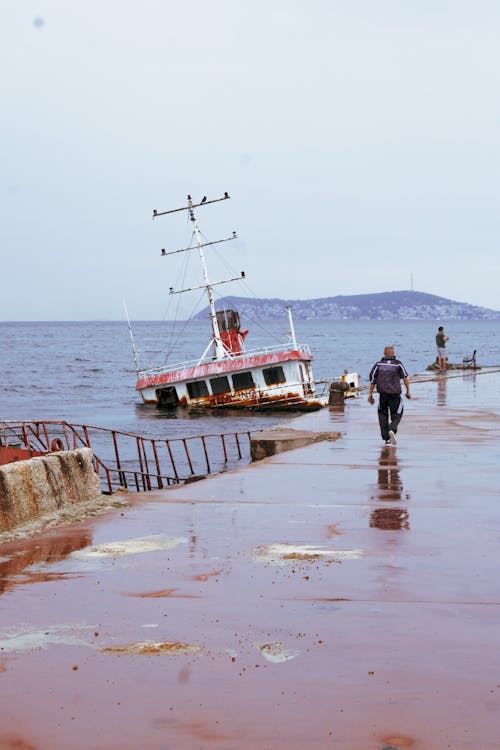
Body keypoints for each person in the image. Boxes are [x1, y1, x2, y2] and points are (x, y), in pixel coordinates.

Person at [368, 346, 411, 445]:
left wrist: (370, 395)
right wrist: (408, 391)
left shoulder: (378, 364)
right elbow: (405, 378)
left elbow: (372, 380)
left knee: (382, 414)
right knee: (397, 413)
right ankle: (392, 429)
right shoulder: (398, 364)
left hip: (382, 394)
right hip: (395, 394)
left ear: (384, 354)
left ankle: (386, 438)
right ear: (393, 353)